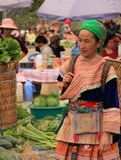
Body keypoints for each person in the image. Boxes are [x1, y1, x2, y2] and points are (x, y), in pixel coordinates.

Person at [55, 20, 120, 159]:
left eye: (87, 41)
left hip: (97, 129)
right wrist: (65, 83)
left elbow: (112, 104)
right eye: (79, 40)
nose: (82, 46)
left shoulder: (106, 68)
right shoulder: (71, 63)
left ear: (98, 43)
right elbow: (60, 84)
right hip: (72, 126)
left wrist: (107, 134)